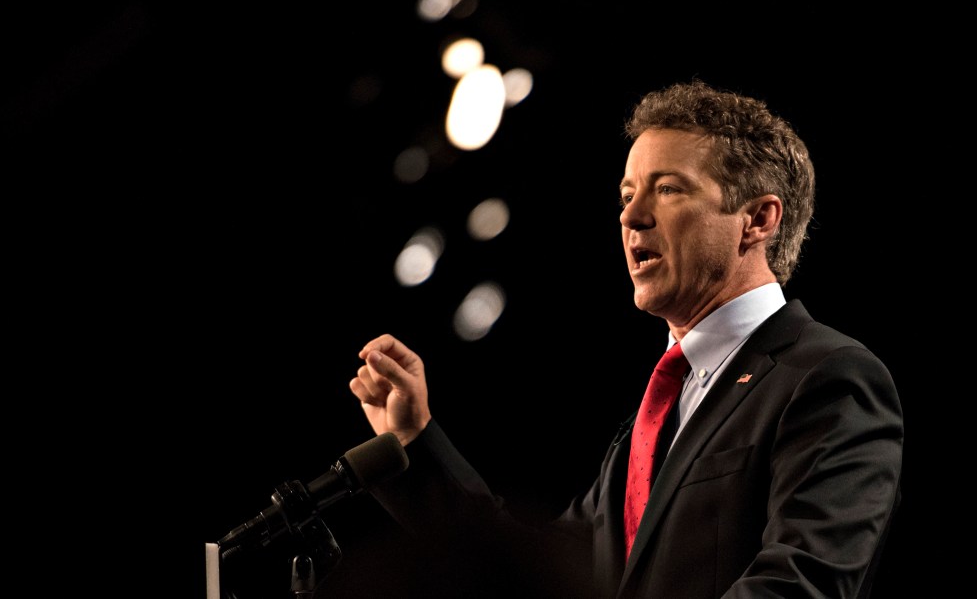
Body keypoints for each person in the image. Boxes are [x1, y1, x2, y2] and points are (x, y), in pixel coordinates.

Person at [347, 79, 904, 598]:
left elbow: (800, 583)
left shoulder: (828, 377)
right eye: (627, 194)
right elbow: (542, 568)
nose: (632, 216)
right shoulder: (664, 405)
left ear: (757, 220)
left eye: (668, 189)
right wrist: (413, 441)